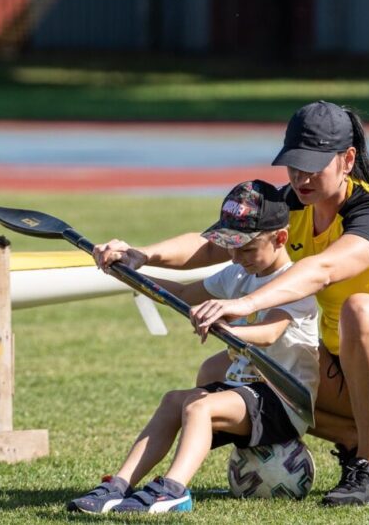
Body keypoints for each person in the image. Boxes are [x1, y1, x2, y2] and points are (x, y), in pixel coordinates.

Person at [94, 100, 369, 507]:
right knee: (218, 369)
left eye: (314, 164)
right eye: (294, 164)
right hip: (346, 362)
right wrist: (141, 255)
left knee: (361, 310)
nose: (301, 176)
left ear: (347, 160)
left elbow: (323, 269)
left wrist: (245, 303)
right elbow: (216, 242)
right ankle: (353, 439)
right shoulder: (291, 204)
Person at [68, 180, 320, 514]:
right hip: (244, 389)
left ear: (281, 238)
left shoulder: (296, 282)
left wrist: (225, 324)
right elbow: (184, 296)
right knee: (175, 400)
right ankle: (117, 486)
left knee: (199, 407)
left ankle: (173, 491)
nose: (235, 256)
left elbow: (269, 333)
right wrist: (129, 273)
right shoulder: (238, 274)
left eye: (246, 248)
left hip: (284, 402)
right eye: (230, 246)